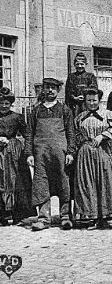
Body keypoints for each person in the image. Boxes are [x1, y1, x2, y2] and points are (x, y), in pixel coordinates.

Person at [73, 88, 112, 229]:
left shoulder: (108, 114)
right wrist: (83, 141)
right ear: (85, 101)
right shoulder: (81, 117)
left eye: (94, 100)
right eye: (89, 100)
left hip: (104, 152)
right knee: (89, 184)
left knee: (109, 182)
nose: (92, 103)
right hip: (86, 154)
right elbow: (75, 133)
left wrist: (103, 136)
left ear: (99, 100)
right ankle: (93, 218)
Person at [25, 78, 76, 231]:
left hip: (60, 154)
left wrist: (71, 152)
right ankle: (43, 219)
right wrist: (29, 154)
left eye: (53, 88)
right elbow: (29, 134)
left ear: (58, 90)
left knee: (63, 183)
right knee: (41, 184)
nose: (50, 91)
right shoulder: (36, 111)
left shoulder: (65, 110)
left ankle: (65, 217)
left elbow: (71, 133)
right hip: (41, 154)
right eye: (47, 87)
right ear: (43, 90)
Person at [0, 88, 35, 225]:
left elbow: (28, 134)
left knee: (17, 181)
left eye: (6, 103)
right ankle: (2, 214)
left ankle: (18, 214)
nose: (3, 106)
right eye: (1, 103)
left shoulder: (17, 117)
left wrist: (25, 149)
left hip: (13, 153)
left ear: (11, 104)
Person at [65, 52, 97, 118]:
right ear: (74, 64)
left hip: (87, 104)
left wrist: (85, 96)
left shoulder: (90, 76)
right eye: (77, 64)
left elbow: (94, 89)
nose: (79, 66)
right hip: (74, 105)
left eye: (82, 64)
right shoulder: (71, 76)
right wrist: (74, 97)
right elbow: (68, 91)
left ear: (85, 64)